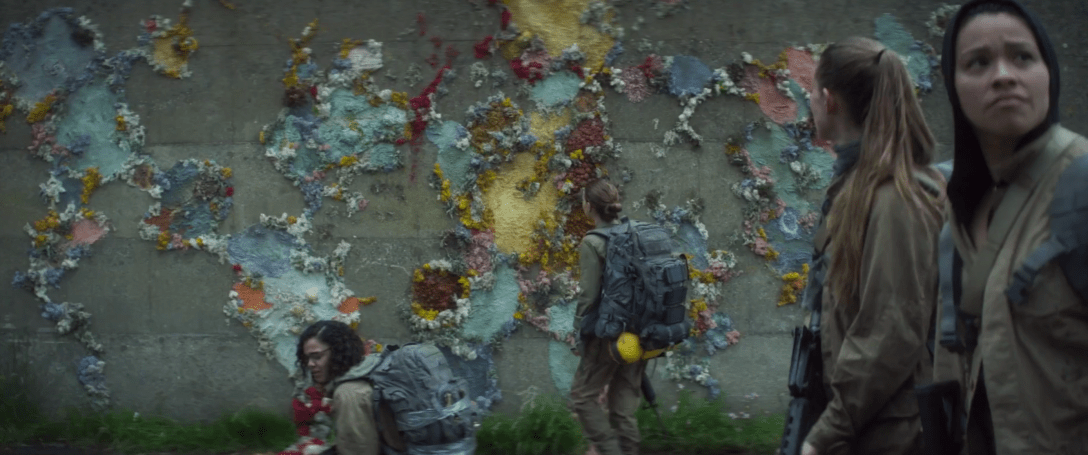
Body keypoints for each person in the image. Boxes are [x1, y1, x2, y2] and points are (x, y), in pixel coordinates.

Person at [939, 0, 1088, 453]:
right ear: (954, 86)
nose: (1003, 75)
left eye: (1022, 56)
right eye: (978, 63)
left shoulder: (1080, 188)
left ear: (1049, 73)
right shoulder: (959, 213)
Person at [799, 36, 946, 455]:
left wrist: (828, 431)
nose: (807, 102)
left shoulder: (895, 197)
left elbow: (890, 329)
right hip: (870, 424)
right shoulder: (856, 186)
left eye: (810, 91)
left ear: (829, 100)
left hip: (893, 433)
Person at [570, 179, 644, 455]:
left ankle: (610, 450)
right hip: (639, 334)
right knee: (623, 406)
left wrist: (580, 331)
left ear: (588, 207)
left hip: (610, 336)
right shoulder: (637, 232)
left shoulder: (593, 242)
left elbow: (588, 297)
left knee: (583, 397)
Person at [296, 320, 382, 455]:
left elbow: (359, 451)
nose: (310, 364)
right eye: (307, 359)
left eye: (317, 356)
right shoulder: (363, 373)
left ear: (338, 353)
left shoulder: (349, 393)